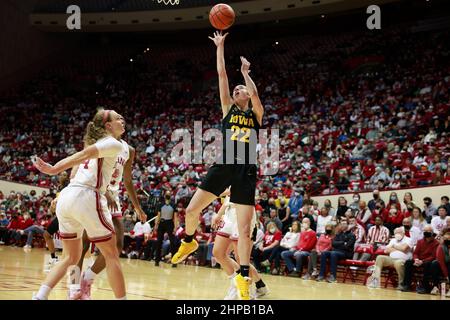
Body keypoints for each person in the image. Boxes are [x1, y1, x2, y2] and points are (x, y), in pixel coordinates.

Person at [171, 31, 264, 300]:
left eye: (240, 90)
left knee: (245, 231)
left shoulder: (255, 113)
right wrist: (220, 47)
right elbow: (222, 74)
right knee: (190, 210)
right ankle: (188, 241)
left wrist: (246, 73)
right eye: (235, 91)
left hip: (246, 169)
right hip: (225, 165)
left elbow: (256, 96)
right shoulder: (228, 108)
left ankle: (244, 276)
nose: (236, 91)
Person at [32, 109, 128, 300]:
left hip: (69, 197)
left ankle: (46, 295)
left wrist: (60, 186)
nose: (122, 120)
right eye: (118, 118)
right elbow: (82, 156)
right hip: (88, 196)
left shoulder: (108, 145)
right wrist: (54, 169)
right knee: (111, 254)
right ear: (108, 126)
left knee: (71, 256)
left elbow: (78, 164)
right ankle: (108, 294)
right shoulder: (112, 144)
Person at [75, 115, 147, 299]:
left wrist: (137, 207)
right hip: (94, 192)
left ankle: (87, 278)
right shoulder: (100, 143)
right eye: (119, 119)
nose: (122, 121)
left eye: (124, 119)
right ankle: (74, 288)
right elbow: (87, 168)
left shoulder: (128, 150)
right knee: (83, 246)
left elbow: (128, 180)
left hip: (113, 197)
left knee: (118, 245)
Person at [211, 189, 268, 299]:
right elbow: (227, 198)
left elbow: (226, 191)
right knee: (218, 253)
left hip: (243, 213)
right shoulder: (229, 175)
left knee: (241, 258)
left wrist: (211, 190)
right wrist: (219, 214)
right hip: (229, 215)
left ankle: (248, 290)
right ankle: (235, 282)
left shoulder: (246, 175)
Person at [43, 172, 70, 272]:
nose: (60, 176)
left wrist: (56, 202)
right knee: (46, 234)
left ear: (67, 177)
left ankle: (64, 264)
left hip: (66, 215)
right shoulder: (59, 187)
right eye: (60, 174)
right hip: (59, 215)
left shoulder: (69, 186)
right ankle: (54, 258)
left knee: (68, 241)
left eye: (63, 174)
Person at [401, 225, 439, 293]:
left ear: (432, 233)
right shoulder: (420, 241)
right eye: (425, 231)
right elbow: (415, 253)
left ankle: (424, 286)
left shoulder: (436, 243)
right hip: (418, 260)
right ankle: (407, 285)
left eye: (428, 231)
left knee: (428, 264)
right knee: (408, 262)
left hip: (428, 261)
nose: (426, 232)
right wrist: (416, 259)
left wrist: (422, 261)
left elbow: (433, 256)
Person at [153, 193, 178, 267]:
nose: (167, 195)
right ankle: (157, 261)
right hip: (162, 223)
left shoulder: (173, 205)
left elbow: (175, 217)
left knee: (172, 242)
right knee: (159, 242)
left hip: (170, 223)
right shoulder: (160, 204)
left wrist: (175, 227)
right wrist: (156, 225)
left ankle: (174, 261)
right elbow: (158, 215)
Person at [431, 228, 450, 296]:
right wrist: (446, 275)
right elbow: (441, 263)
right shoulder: (440, 247)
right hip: (443, 267)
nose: (447, 239)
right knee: (434, 264)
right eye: (445, 238)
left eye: (449, 238)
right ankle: (435, 287)